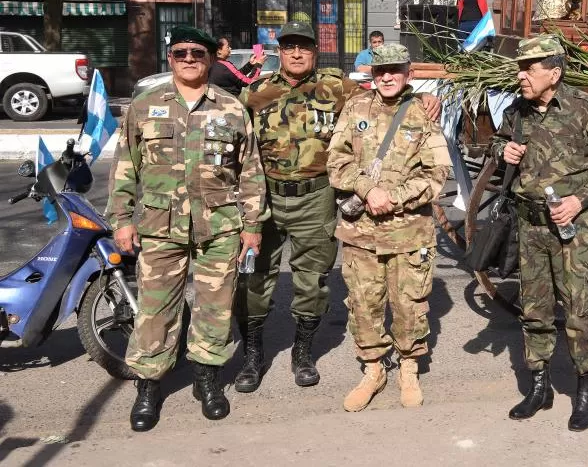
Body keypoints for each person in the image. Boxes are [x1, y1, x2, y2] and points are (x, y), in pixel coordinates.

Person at [234, 24, 441, 394]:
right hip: (265, 196)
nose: (296, 54)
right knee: (254, 277)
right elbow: (233, 139)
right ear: (279, 52)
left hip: (316, 197)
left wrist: (422, 97)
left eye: (304, 47)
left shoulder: (339, 88)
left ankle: (302, 353)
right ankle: (252, 355)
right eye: (289, 47)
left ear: (316, 52)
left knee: (312, 279)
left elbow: (385, 98)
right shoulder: (254, 92)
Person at [106, 25, 268, 432]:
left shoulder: (231, 108)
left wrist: (253, 225)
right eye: (181, 53)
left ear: (210, 59)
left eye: (198, 53)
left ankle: (207, 378)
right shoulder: (144, 106)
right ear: (171, 58)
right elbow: (124, 168)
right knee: (155, 309)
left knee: (215, 306)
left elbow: (250, 170)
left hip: (220, 226)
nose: (190, 59)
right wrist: (122, 220)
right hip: (160, 226)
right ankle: (149, 384)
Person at [490, 35, 588, 432]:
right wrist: (502, 151)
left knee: (579, 311)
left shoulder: (585, 109)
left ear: (554, 73)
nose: (521, 75)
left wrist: (579, 199)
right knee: (534, 311)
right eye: (520, 68)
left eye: (529, 68)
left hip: (576, 230)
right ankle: (540, 387)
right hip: (531, 228)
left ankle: (585, 390)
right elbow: (496, 144)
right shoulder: (517, 111)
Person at [327, 44, 452, 413]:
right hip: (361, 233)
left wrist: (393, 198)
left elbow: (437, 173)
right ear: (372, 74)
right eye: (380, 70)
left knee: (410, 304)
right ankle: (373, 369)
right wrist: (368, 190)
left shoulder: (423, 112)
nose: (387, 77)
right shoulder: (355, 108)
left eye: (395, 70)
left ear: (408, 73)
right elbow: (336, 160)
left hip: (409, 232)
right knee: (363, 304)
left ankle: (409, 368)